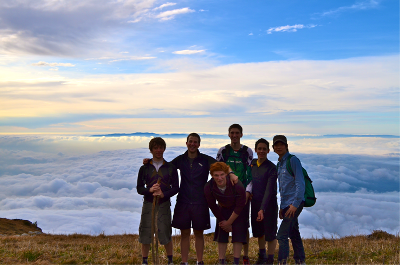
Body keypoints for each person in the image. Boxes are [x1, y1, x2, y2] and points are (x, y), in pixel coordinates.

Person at [143, 133, 238, 265]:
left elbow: (221, 166)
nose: (192, 144)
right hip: (184, 201)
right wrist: (150, 162)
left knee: (199, 233)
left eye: (195, 142)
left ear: (199, 144)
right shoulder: (181, 159)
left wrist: (231, 174)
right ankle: (184, 262)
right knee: (184, 233)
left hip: (201, 201)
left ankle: (200, 261)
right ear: (186, 143)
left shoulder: (205, 160)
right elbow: (166, 167)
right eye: (190, 141)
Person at [136, 137, 179, 265]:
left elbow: (176, 188)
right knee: (146, 231)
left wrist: (163, 194)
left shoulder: (171, 167)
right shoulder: (144, 168)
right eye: (155, 148)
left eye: (161, 147)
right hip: (148, 204)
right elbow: (139, 188)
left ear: (164, 149)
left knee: (165, 232)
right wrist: (149, 190)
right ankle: (145, 261)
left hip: (164, 204)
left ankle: (170, 260)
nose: (158, 150)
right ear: (151, 150)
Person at [216, 124, 253, 265]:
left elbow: (249, 174)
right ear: (228, 134)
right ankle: (222, 259)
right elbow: (217, 171)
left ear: (241, 134)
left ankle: (245, 256)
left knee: (242, 227)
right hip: (225, 195)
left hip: (242, 195)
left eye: (237, 133)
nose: (234, 135)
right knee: (223, 227)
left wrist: (248, 192)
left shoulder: (247, 151)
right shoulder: (223, 151)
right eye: (232, 133)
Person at [204, 162, 247, 265]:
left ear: (226, 174)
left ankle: (236, 261)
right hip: (222, 209)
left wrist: (229, 222)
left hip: (238, 211)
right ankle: (221, 261)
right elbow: (212, 205)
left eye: (222, 174)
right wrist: (224, 221)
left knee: (238, 235)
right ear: (212, 176)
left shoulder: (237, 185)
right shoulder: (208, 187)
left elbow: (240, 206)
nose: (219, 178)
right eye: (216, 175)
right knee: (222, 235)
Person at [272, 135, 306, 265]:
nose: (279, 147)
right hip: (287, 204)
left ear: (286, 146)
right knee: (294, 233)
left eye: (281, 144)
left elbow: (300, 183)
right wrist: (282, 207)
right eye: (276, 145)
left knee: (281, 235)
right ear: (273, 148)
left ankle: (282, 262)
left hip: (295, 203)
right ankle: (300, 260)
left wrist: (295, 204)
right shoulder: (279, 164)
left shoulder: (293, 160)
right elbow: (283, 188)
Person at [246, 138, 278, 265]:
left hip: (269, 205)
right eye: (259, 149)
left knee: (270, 233)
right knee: (259, 232)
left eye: (264, 149)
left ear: (268, 151)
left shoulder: (271, 168)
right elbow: (248, 181)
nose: (262, 151)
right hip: (255, 203)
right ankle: (262, 257)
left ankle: (270, 260)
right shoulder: (252, 164)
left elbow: (269, 190)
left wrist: (262, 209)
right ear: (255, 150)